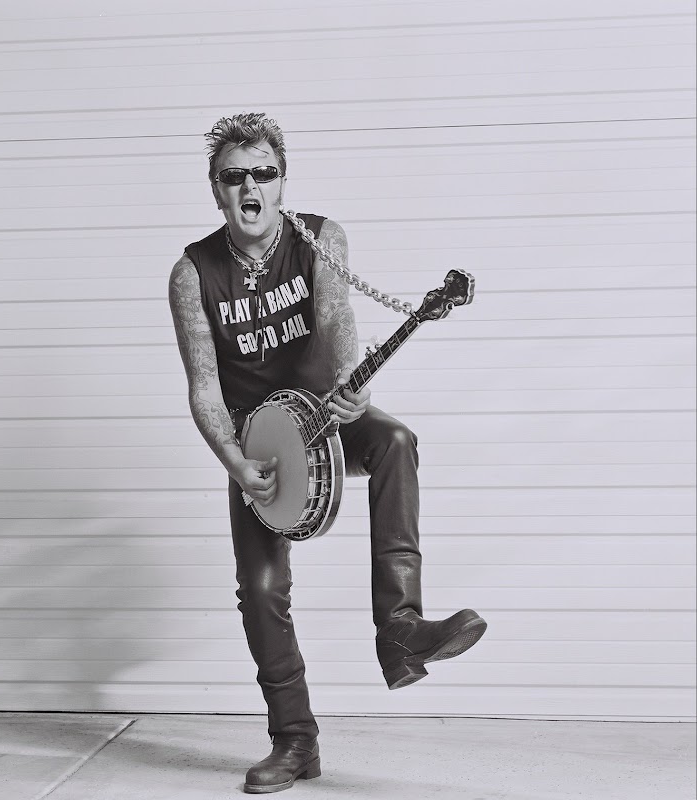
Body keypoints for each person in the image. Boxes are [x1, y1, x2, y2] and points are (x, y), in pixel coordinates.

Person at [169, 112, 487, 794]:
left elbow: (340, 326)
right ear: (216, 189)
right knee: (260, 591)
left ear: (282, 182)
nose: (250, 186)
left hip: (324, 415)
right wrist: (234, 462)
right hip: (256, 444)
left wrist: (352, 389)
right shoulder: (193, 273)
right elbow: (202, 388)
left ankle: (399, 628)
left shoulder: (321, 239)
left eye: (263, 173)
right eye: (234, 176)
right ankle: (295, 742)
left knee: (394, 440)